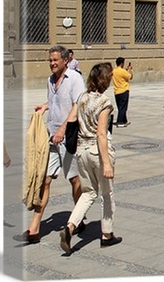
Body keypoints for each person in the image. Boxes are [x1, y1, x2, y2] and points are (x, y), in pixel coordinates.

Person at [23, 45, 85, 243]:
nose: (52, 63)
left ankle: (78, 217)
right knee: (45, 180)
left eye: (55, 60)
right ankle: (34, 229)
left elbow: (77, 105)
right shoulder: (50, 80)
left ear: (65, 60)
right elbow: (57, 100)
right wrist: (45, 105)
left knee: (73, 180)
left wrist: (62, 130)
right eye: (50, 60)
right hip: (52, 138)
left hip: (69, 138)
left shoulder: (74, 78)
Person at [59, 62, 121, 254]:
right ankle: (107, 234)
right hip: (97, 151)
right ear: (105, 80)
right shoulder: (104, 102)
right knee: (106, 193)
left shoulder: (82, 97)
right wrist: (107, 164)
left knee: (88, 193)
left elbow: (72, 120)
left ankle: (70, 226)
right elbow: (101, 134)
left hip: (81, 151)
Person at [112, 57, 133, 127]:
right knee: (123, 107)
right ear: (121, 63)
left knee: (120, 107)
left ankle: (124, 120)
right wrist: (130, 70)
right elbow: (130, 77)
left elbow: (121, 73)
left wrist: (126, 69)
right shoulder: (123, 71)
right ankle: (120, 121)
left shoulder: (114, 71)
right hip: (123, 91)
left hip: (116, 91)